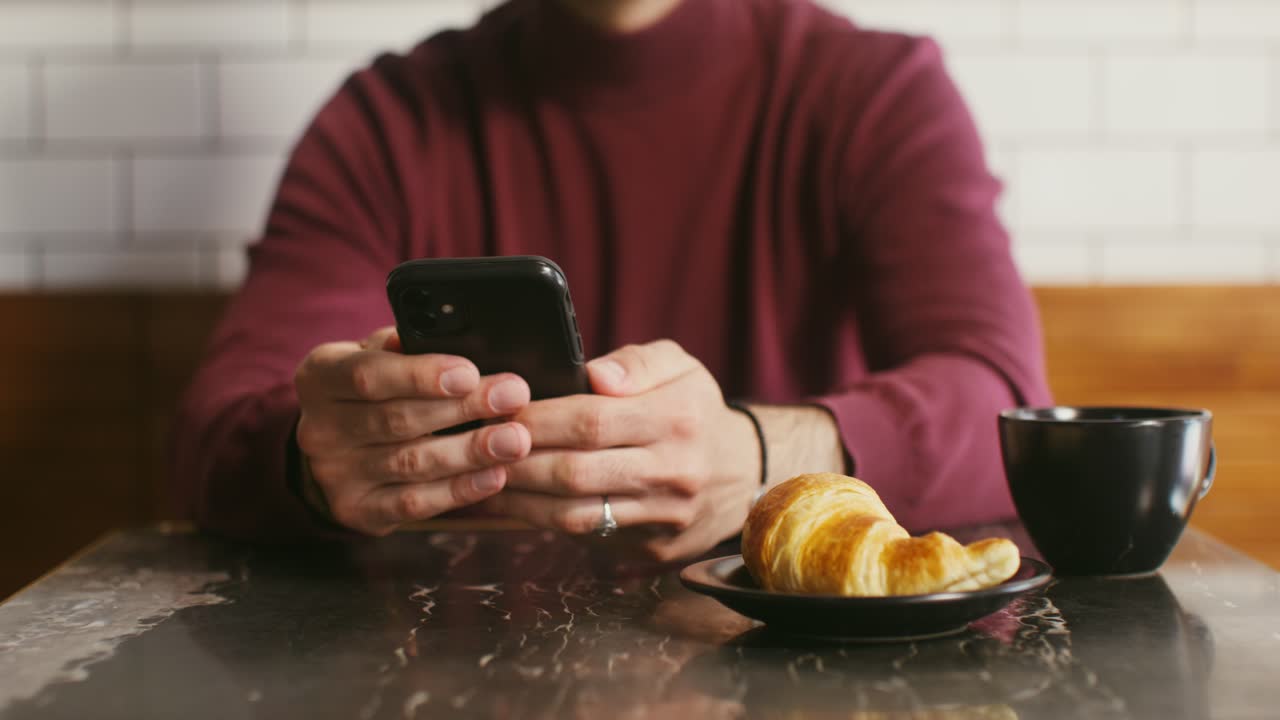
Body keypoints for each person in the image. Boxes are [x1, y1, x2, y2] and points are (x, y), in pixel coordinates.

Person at [171, 0, 1051, 562]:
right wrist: (316, 460)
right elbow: (218, 432)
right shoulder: (386, 120)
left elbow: (1004, 407)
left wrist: (755, 458)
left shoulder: (875, 91)